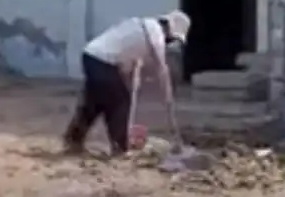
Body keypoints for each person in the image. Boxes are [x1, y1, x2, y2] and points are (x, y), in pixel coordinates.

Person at [63, 10, 190, 155]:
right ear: (170, 29)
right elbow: (161, 69)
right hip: (102, 61)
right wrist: (168, 97)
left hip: (92, 56)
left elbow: (126, 64)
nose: (170, 42)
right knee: (120, 102)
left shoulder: (141, 26)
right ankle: (119, 146)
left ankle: (73, 140)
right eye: (173, 39)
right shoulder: (156, 33)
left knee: (96, 101)